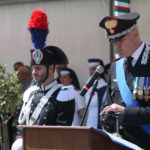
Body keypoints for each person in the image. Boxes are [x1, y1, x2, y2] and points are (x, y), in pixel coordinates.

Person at [99, 12, 150, 149]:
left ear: (135, 33)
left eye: (120, 40)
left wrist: (125, 112)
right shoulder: (115, 67)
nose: (116, 46)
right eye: (113, 41)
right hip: (122, 144)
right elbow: (110, 106)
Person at [85, 58, 107, 129]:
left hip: (100, 124)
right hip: (89, 123)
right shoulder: (88, 85)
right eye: (90, 69)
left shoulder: (104, 86)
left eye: (93, 69)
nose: (91, 71)